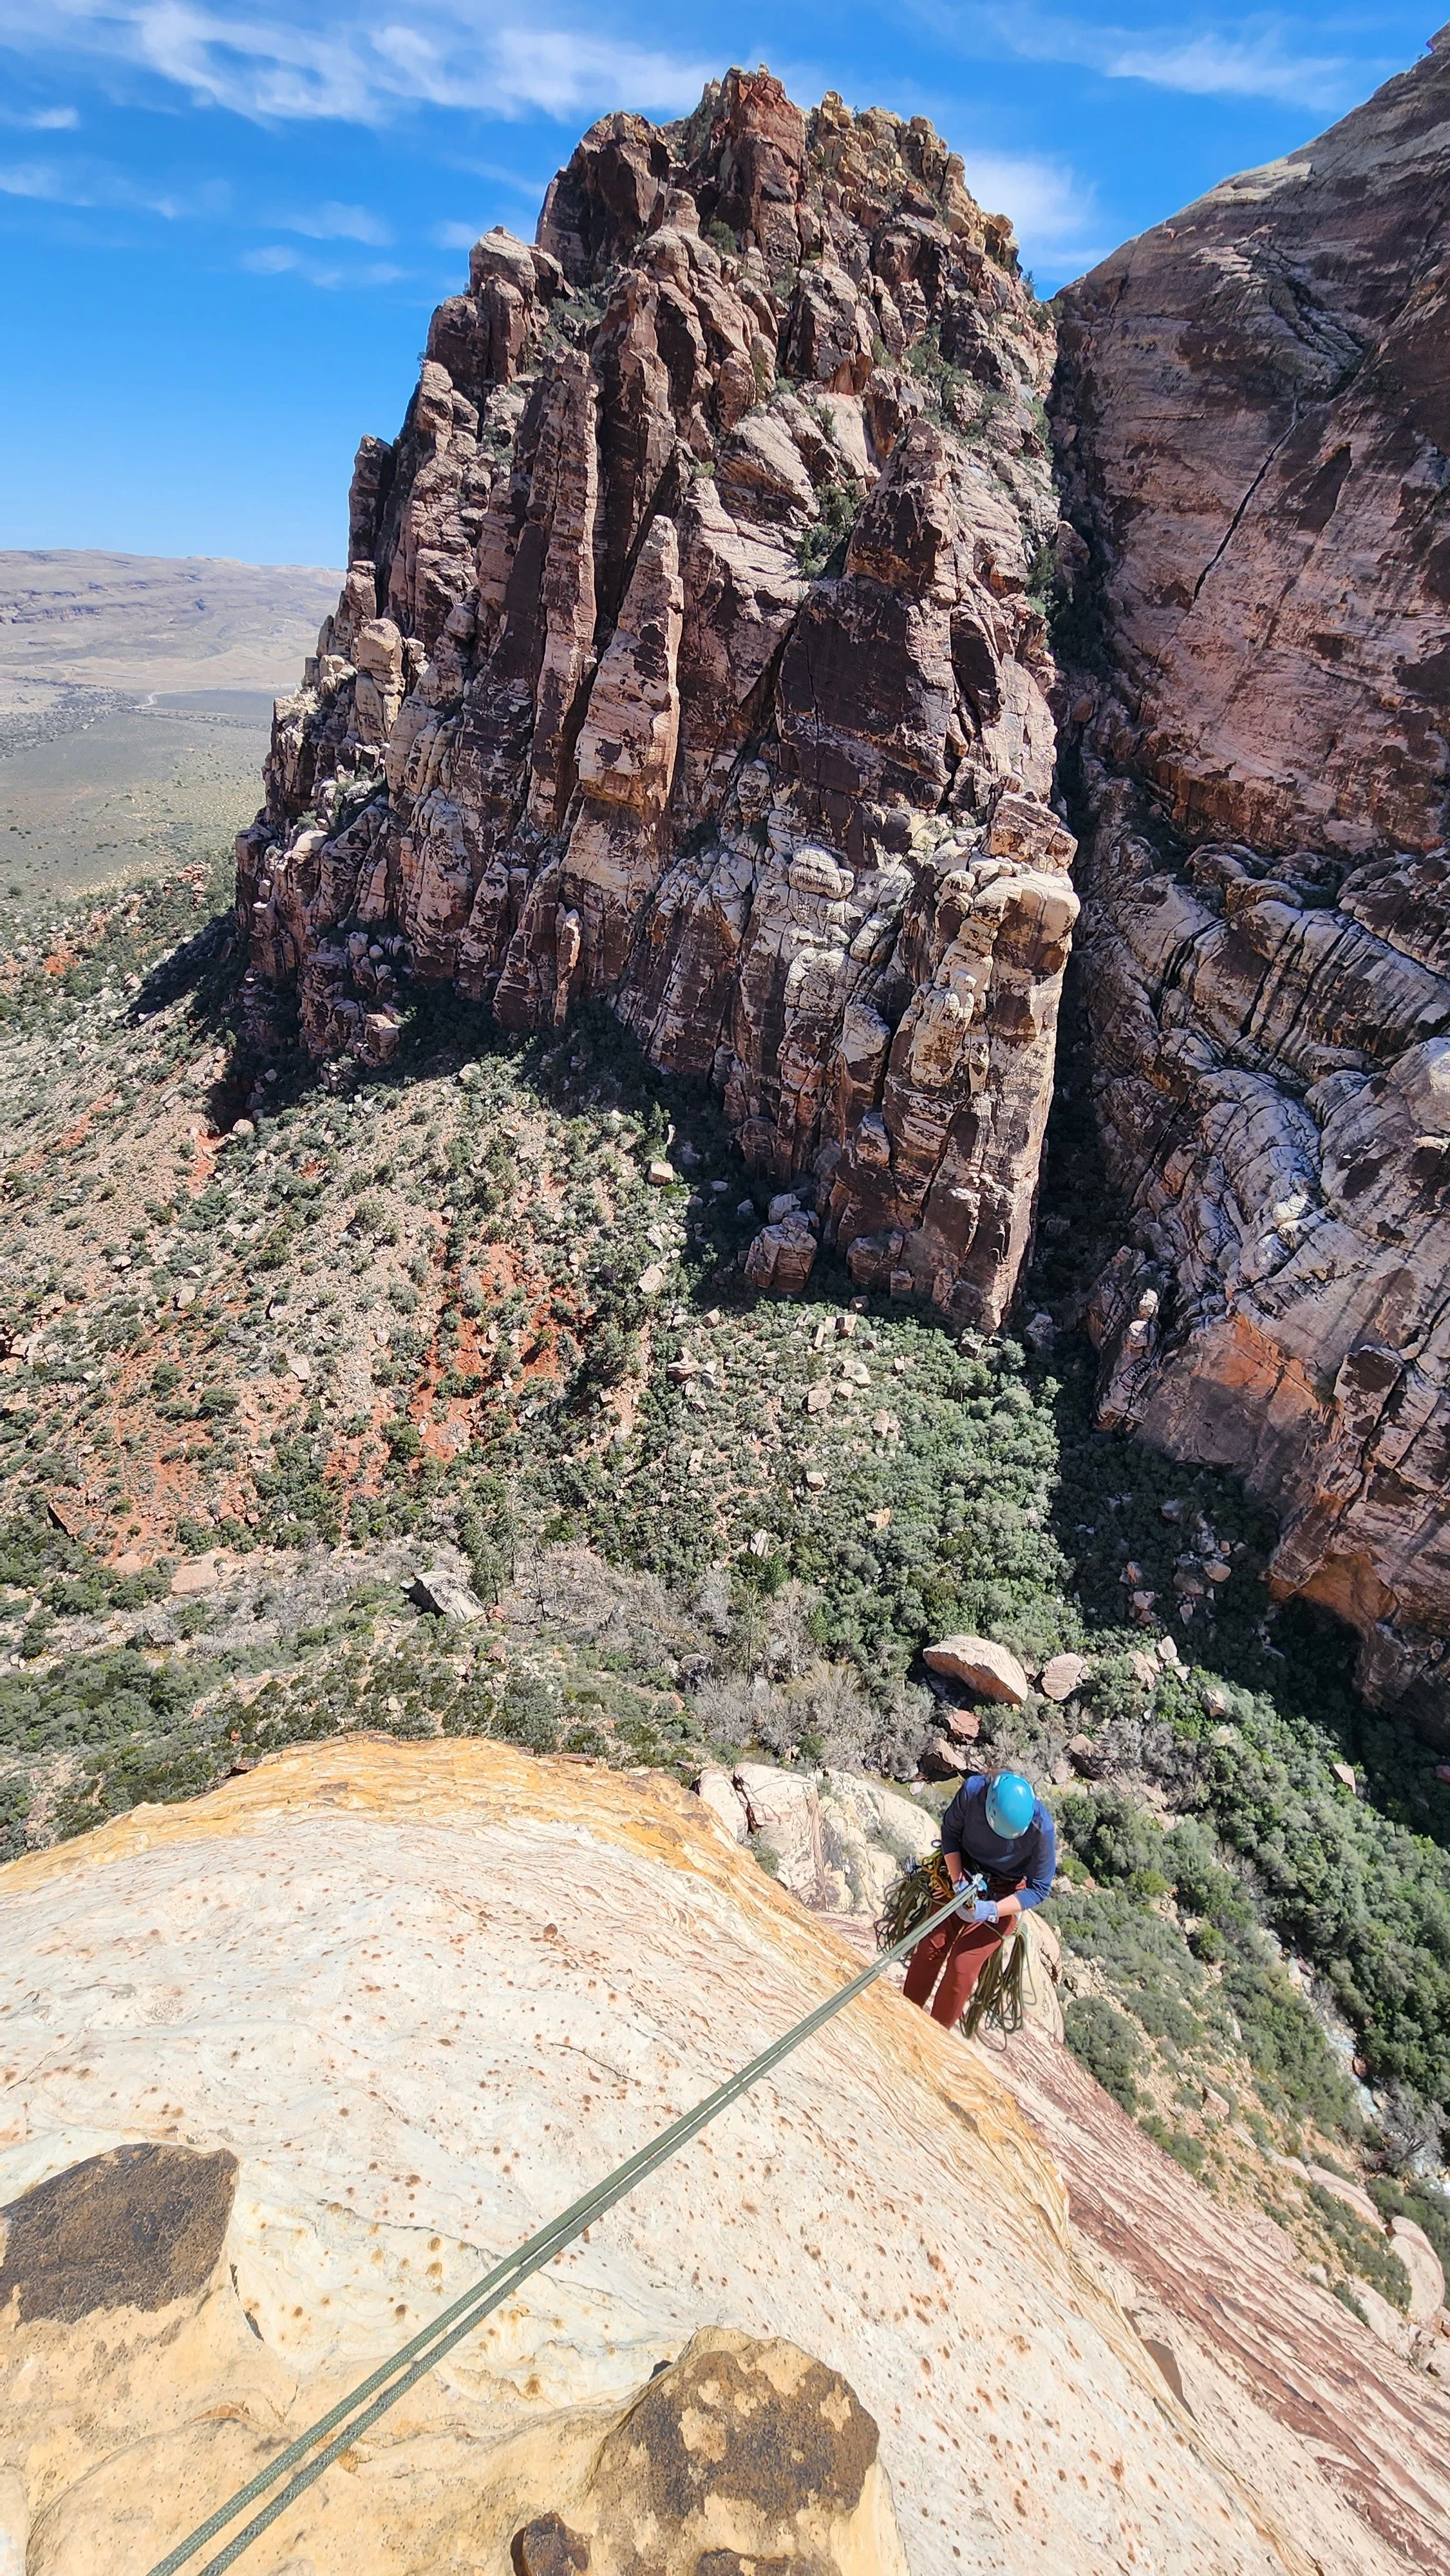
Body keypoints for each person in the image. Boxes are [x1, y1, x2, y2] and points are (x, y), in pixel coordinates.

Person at [903, 1769, 1056, 2029]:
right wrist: (958, 1881)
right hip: (962, 1870)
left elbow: (1039, 1888)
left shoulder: (1041, 1829)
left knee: (963, 1966)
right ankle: (903, 2016)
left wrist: (991, 1909)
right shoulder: (973, 1792)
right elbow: (950, 1833)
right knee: (931, 1946)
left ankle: (935, 2034)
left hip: (1004, 1891)